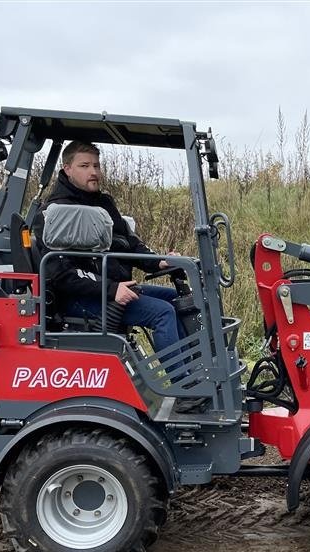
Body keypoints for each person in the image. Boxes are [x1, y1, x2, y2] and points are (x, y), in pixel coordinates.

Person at [33, 141, 208, 410]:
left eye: (96, 165)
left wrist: (156, 261)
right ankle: (181, 389)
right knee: (161, 313)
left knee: (177, 300)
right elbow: (59, 273)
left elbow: (127, 243)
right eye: (85, 166)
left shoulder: (103, 203)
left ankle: (197, 377)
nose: (94, 172)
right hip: (83, 297)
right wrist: (111, 289)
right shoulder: (55, 212)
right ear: (67, 169)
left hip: (113, 288)